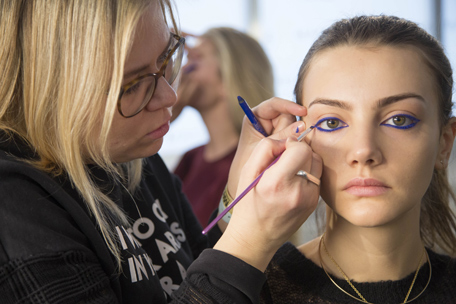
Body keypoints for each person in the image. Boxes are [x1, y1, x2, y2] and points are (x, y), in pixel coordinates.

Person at [0, 1, 320, 303]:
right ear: (52, 86)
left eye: (167, 58)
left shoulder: (135, 156)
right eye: (133, 85)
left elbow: (198, 269)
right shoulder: (16, 203)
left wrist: (236, 193)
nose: (169, 96)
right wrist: (252, 244)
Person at [260, 15, 456, 303]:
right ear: (300, 138)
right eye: (331, 123)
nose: (364, 151)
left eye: (399, 120)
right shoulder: (253, 290)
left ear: (444, 143)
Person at [171, 27, 275, 226]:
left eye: (196, 59)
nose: (182, 70)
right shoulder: (190, 158)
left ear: (227, 80)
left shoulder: (254, 162)